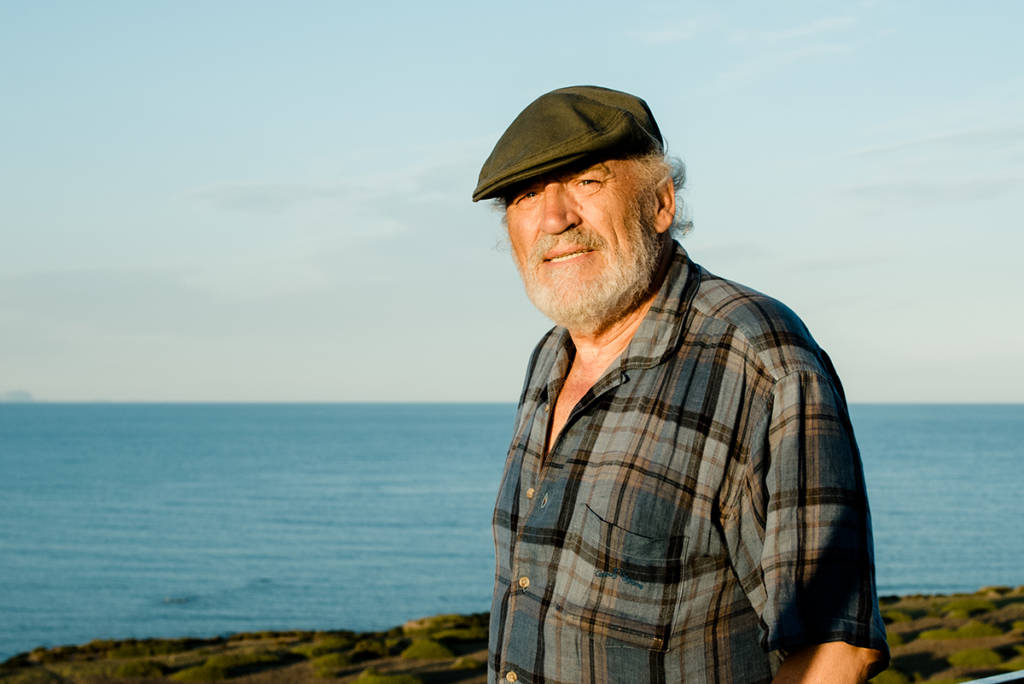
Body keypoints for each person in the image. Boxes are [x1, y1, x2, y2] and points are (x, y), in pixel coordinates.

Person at [472, 86, 889, 683]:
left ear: (661, 203)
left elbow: (836, 647)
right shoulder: (551, 356)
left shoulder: (759, 357)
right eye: (526, 195)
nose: (555, 218)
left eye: (587, 182)